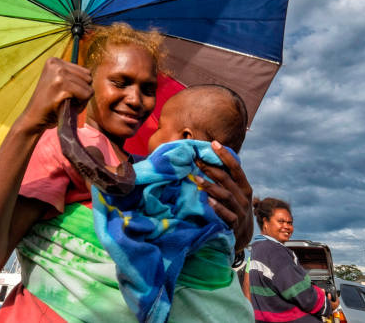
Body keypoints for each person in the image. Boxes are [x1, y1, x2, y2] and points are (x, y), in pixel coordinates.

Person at [0, 23, 255, 322]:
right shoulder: (62, 148)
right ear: (86, 81)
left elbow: (191, 248)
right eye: (120, 82)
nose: (136, 100)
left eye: (148, 88)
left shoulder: (150, 171)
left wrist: (240, 226)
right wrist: (27, 125)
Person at [92, 85, 250, 323]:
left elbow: (137, 179)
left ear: (186, 137)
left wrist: (106, 172)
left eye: (158, 127)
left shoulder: (180, 153)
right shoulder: (224, 168)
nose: (152, 134)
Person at [246, 198, 338, 323]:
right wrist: (328, 305)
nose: (287, 227)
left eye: (290, 223)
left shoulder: (257, 250)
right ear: (265, 222)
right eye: (280, 221)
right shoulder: (275, 251)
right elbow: (301, 293)